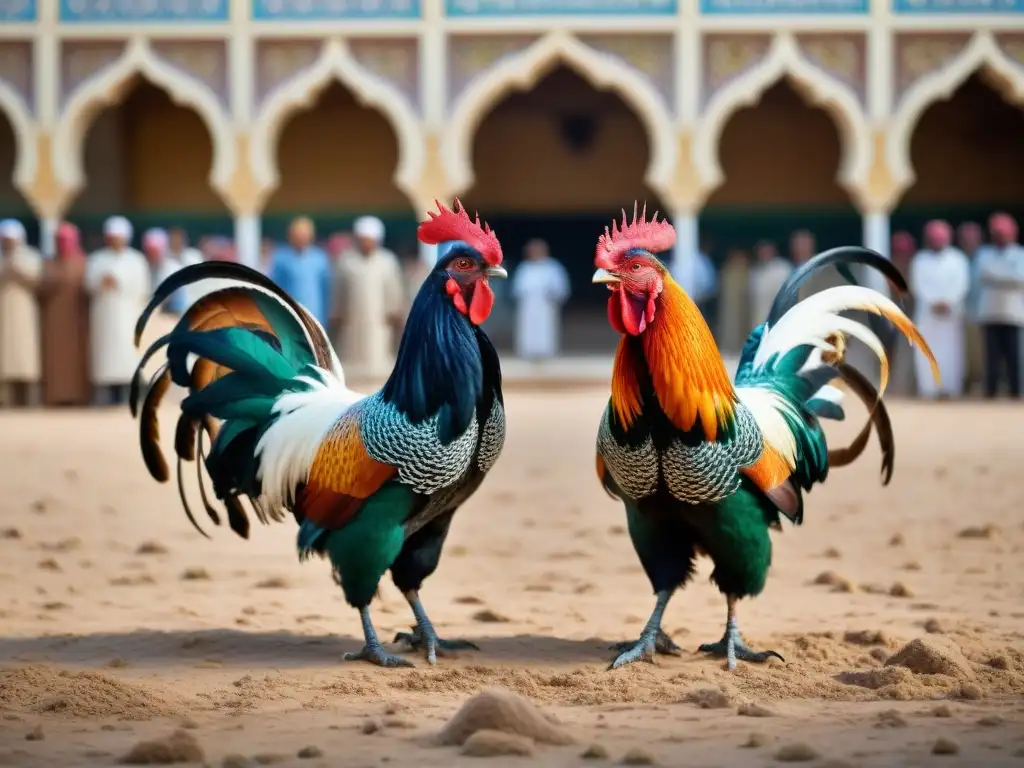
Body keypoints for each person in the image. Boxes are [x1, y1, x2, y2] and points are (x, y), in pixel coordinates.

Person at [85, 215, 151, 406]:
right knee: (106, 357)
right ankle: (108, 396)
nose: (115, 240)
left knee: (129, 355)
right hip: (104, 316)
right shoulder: (97, 259)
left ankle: (129, 395)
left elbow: (143, 288)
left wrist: (119, 282)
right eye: (112, 237)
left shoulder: (136, 260)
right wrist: (100, 282)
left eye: (118, 237)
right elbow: (89, 284)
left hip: (128, 314)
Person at [330, 215, 405, 378]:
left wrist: (396, 311)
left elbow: (394, 289)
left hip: (379, 323)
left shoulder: (388, 261)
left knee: (380, 360)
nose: (366, 243)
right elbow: (338, 291)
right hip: (351, 323)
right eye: (363, 239)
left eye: (370, 239)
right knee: (351, 364)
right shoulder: (346, 260)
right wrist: (336, 313)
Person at [909, 219, 971, 399]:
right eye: (934, 239)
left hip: (951, 313)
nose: (937, 242)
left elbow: (962, 285)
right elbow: (918, 285)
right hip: (928, 314)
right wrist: (933, 302)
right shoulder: (919, 259)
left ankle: (951, 389)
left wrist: (948, 302)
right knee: (927, 351)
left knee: (952, 352)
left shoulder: (958, 259)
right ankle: (929, 390)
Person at [40, 222, 91, 407]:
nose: (63, 244)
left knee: (77, 358)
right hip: (53, 320)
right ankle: (55, 397)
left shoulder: (83, 263)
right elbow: (40, 287)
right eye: (60, 240)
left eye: (66, 240)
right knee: (55, 359)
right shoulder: (48, 263)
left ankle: (79, 397)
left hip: (78, 320)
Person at [974, 212, 1024, 398]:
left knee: (1014, 358)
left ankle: (1016, 394)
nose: (999, 237)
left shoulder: (1020, 254)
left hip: (1014, 314)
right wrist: (1007, 277)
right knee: (992, 359)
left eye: (1002, 233)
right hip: (990, 313)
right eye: (996, 233)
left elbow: (1020, 277)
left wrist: (996, 277)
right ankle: (991, 393)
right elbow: (982, 273)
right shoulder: (984, 253)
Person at [0, 219, 44, 407]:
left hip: (25, 314)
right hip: (3, 313)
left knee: (27, 357)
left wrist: (17, 272)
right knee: (5, 358)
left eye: (12, 239)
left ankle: (30, 401)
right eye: (5, 239)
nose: (9, 243)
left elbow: (38, 283)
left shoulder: (31, 257)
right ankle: (6, 401)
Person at [511, 238, 571, 361]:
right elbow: (517, 288)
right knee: (527, 329)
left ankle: (547, 352)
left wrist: (553, 294)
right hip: (527, 306)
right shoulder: (524, 268)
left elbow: (561, 286)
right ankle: (527, 352)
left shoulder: (553, 267)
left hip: (546, 305)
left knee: (546, 329)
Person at [270, 217, 331, 329]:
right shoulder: (281, 258)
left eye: (304, 235)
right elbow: (275, 288)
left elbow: (326, 290)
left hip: (315, 315)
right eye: (297, 235)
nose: (301, 238)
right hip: (289, 315)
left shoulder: (319, 258)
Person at [957, 221, 986, 395]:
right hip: (959, 317)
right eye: (966, 239)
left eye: (972, 238)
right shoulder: (956, 258)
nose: (969, 242)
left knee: (981, 356)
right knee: (963, 356)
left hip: (983, 315)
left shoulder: (986, 257)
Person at [888, 231, 918, 397]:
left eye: (905, 251)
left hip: (916, 316)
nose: (903, 255)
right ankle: (899, 388)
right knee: (899, 354)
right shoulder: (891, 267)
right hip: (896, 318)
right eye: (900, 251)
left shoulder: (916, 265)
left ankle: (914, 388)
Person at [748, 240, 792, 327]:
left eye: (767, 249)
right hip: (758, 322)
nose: (764, 253)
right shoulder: (755, 271)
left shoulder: (783, 268)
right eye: (761, 250)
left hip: (778, 321)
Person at [716, 248, 750, 355]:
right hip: (728, 308)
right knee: (728, 328)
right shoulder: (726, 270)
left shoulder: (747, 271)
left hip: (742, 309)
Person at [143, 227, 185, 315]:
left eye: (156, 250)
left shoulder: (174, 269)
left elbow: (179, 304)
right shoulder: (138, 266)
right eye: (150, 250)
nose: (153, 254)